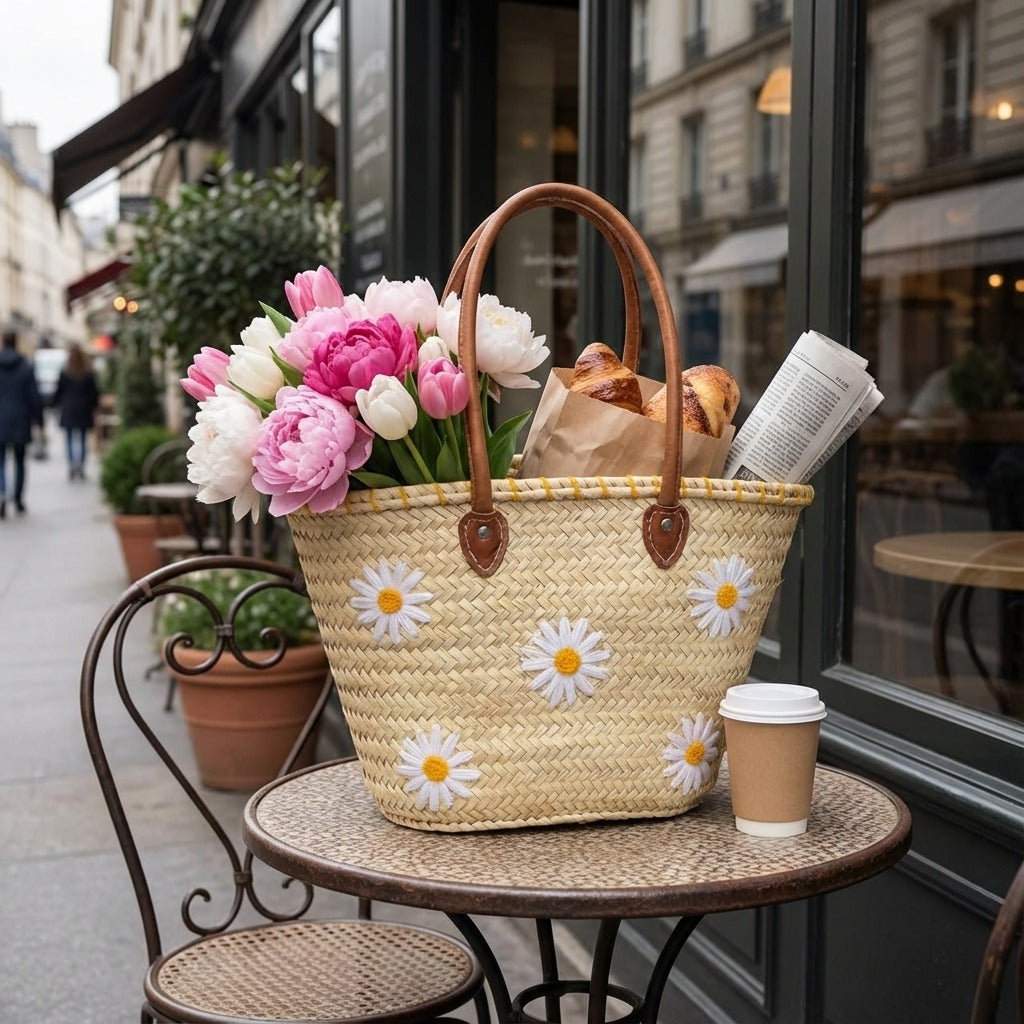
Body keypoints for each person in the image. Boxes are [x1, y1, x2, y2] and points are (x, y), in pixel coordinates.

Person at [0, 329, 44, 517]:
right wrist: (39, 422)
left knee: (0, 460)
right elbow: (34, 397)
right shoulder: (26, 367)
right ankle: (18, 499)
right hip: (20, 419)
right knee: (19, 461)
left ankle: (2, 492)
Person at [52, 343, 100, 480]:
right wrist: (94, 407)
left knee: (69, 439)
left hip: (69, 408)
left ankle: (73, 465)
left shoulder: (65, 371)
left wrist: (54, 404)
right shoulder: (87, 372)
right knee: (83, 439)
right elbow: (93, 393)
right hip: (83, 408)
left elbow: (58, 391)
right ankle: (81, 465)